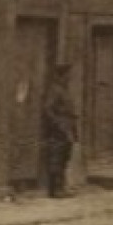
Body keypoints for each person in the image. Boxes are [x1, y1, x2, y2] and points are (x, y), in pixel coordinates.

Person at [42, 64, 79, 198]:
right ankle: (55, 190)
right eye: (67, 75)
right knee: (56, 158)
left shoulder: (64, 90)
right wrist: (58, 124)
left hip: (66, 128)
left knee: (64, 158)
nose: (69, 78)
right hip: (58, 130)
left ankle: (61, 187)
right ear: (61, 76)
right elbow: (48, 110)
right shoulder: (55, 90)